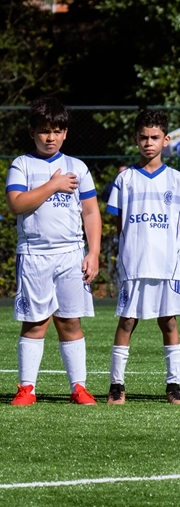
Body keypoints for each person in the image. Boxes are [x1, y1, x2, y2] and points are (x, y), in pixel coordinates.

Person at [5, 97, 101, 406]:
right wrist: (53, 185)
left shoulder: (78, 167)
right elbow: (16, 204)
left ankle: (79, 387)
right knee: (35, 322)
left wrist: (94, 252)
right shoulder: (22, 164)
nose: (51, 137)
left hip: (71, 253)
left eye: (57, 131)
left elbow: (90, 212)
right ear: (32, 132)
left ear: (66, 133)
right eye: (45, 131)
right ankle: (26, 389)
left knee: (70, 321)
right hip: (34, 254)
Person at [105, 110, 180, 404]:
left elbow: (179, 223)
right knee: (127, 321)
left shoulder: (177, 179)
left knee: (168, 322)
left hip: (166, 266)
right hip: (134, 264)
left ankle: (174, 385)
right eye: (143, 137)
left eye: (155, 137)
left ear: (165, 140)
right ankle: (116, 385)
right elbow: (120, 224)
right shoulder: (125, 179)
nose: (148, 143)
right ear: (135, 139)